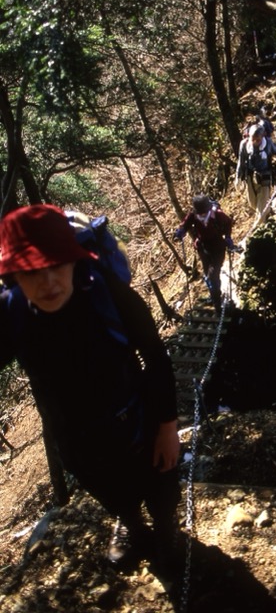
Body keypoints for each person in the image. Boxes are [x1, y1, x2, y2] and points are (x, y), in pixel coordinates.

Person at [0, 204, 181, 577]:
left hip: (137, 418)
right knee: (112, 492)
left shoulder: (106, 294)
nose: (48, 282)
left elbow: (155, 356)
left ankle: (168, 534)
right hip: (75, 438)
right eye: (32, 272)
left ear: (74, 261)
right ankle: (133, 528)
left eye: (56, 265)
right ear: (14, 276)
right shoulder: (12, 314)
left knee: (160, 486)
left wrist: (167, 427)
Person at [173, 195, 237, 309]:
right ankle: (214, 295)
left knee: (213, 275)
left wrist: (228, 237)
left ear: (207, 209)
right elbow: (185, 224)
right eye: (199, 213)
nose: (201, 215)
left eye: (203, 212)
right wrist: (180, 232)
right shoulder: (193, 215)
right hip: (203, 248)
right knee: (207, 275)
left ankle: (217, 303)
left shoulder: (217, 214)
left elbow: (228, 223)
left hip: (218, 247)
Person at [235, 124, 276, 225]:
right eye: (252, 139)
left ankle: (257, 228)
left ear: (262, 136)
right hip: (250, 177)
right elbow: (240, 162)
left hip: (264, 178)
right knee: (253, 203)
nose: (255, 142)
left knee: (262, 208)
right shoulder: (244, 145)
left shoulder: (268, 143)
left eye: (257, 139)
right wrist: (238, 177)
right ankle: (266, 214)